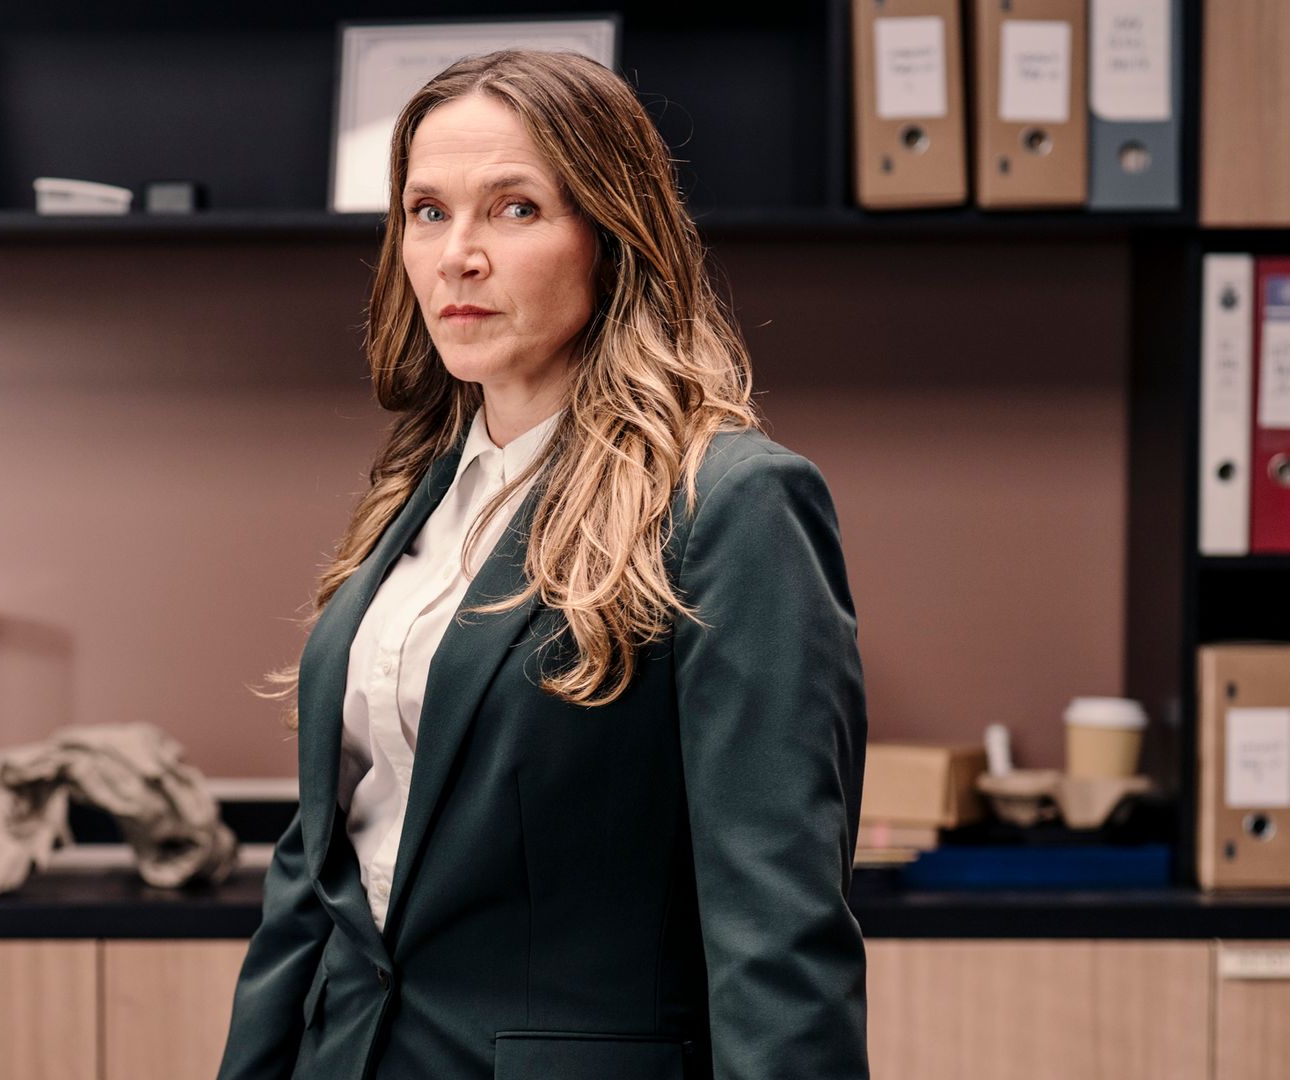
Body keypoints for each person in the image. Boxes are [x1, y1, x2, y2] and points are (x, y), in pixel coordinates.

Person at [219, 48, 868, 1080]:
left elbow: (777, 931)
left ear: (612, 239)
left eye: (514, 209)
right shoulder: (417, 496)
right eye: (427, 212)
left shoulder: (730, 504)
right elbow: (317, 877)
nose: (456, 255)